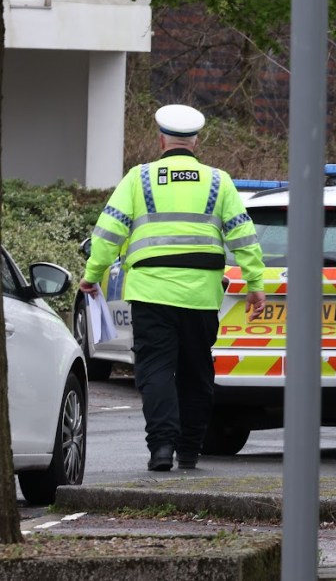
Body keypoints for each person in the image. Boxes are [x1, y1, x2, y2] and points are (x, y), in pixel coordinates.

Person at [80, 104, 266, 472]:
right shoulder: (218, 181)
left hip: (151, 294)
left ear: (161, 138)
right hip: (201, 295)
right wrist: (255, 283)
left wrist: (91, 273)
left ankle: (162, 448)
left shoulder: (139, 178)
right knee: (197, 371)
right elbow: (244, 237)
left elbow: (109, 231)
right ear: (196, 140)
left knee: (156, 370)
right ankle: (191, 450)